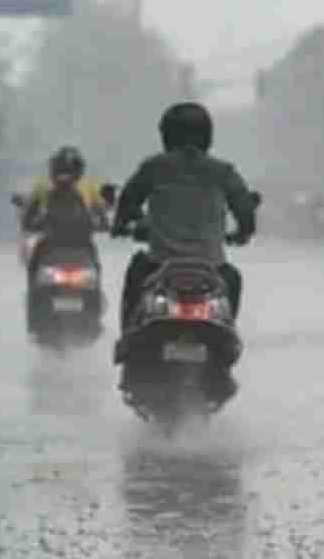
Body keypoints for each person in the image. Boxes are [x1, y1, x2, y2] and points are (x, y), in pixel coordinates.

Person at [111, 102, 258, 398]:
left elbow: (128, 201)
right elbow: (245, 209)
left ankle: (128, 343)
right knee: (234, 279)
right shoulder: (223, 171)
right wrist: (243, 232)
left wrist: (122, 223)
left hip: (159, 266)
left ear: (167, 135)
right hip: (212, 269)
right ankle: (226, 354)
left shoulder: (154, 167)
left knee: (135, 273)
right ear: (207, 135)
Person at [21, 146, 109, 276]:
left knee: (94, 267)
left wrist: (102, 223)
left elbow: (101, 212)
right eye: (62, 170)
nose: (65, 176)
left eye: (68, 170)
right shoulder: (44, 187)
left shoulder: (89, 187)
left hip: (75, 240)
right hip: (60, 240)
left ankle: (95, 290)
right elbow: (29, 212)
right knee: (36, 261)